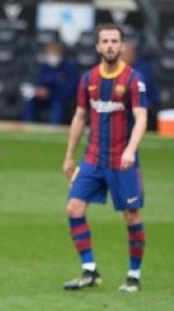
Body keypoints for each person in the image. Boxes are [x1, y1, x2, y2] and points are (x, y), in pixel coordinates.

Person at [62, 24, 148, 293]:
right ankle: (90, 270)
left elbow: (142, 117)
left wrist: (130, 150)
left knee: (132, 216)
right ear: (97, 46)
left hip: (122, 161)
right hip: (92, 159)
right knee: (74, 208)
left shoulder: (134, 79)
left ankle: (134, 274)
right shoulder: (88, 79)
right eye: (105, 41)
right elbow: (79, 116)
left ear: (121, 46)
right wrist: (69, 156)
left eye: (114, 41)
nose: (110, 45)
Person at [21, 41, 78, 124]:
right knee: (30, 102)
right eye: (50, 54)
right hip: (43, 98)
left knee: (57, 105)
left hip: (59, 98)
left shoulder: (69, 68)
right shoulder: (44, 67)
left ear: (60, 54)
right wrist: (39, 91)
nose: (52, 57)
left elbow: (71, 89)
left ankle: (54, 129)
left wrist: (51, 93)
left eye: (55, 53)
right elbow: (37, 82)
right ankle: (28, 126)